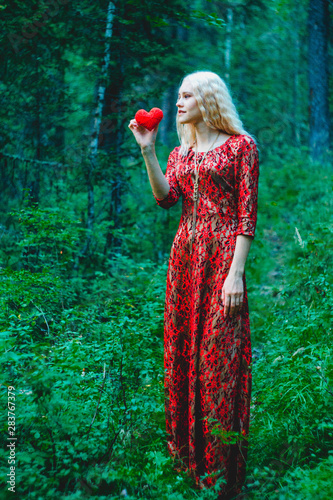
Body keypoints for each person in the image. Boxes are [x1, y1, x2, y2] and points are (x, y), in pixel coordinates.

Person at [128, 70, 259, 500]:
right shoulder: (179, 154)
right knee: (182, 353)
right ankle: (186, 466)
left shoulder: (242, 148)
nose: (178, 102)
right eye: (179, 95)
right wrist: (148, 152)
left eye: (187, 95)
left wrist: (235, 274)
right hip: (184, 260)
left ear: (208, 99)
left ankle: (222, 476)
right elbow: (166, 199)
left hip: (223, 258)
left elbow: (245, 215)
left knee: (221, 360)